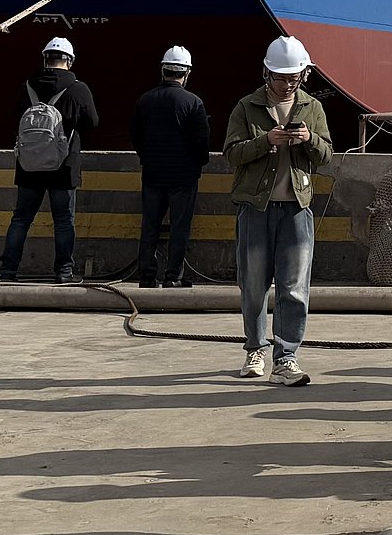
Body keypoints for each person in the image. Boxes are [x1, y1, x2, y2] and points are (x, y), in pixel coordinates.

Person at [224, 36, 334, 388]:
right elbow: (231, 153)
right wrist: (265, 141)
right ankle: (255, 349)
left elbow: (327, 156)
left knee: (294, 287)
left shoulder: (312, 108)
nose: (287, 85)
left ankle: (286, 357)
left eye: (294, 78)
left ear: (303, 75)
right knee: (253, 284)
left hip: (297, 210)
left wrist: (309, 140)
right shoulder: (247, 107)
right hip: (256, 208)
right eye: (281, 78)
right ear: (266, 74)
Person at [0, 37, 100, 283]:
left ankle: (8, 270)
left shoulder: (28, 86)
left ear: (45, 59)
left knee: (21, 219)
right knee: (64, 221)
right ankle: (63, 272)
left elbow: (15, 117)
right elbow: (93, 122)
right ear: (70, 61)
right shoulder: (78, 88)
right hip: (63, 166)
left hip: (29, 165)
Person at [130, 45, 210, 288]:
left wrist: (147, 158)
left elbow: (136, 136)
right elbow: (201, 141)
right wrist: (198, 163)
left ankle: (146, 276)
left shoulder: (145, 100)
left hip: (153, 173)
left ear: (163, 70)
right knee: (179, 227)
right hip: (183, 177)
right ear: (187, 73)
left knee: (150, 226)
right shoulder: (193, 102)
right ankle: (173, 277)